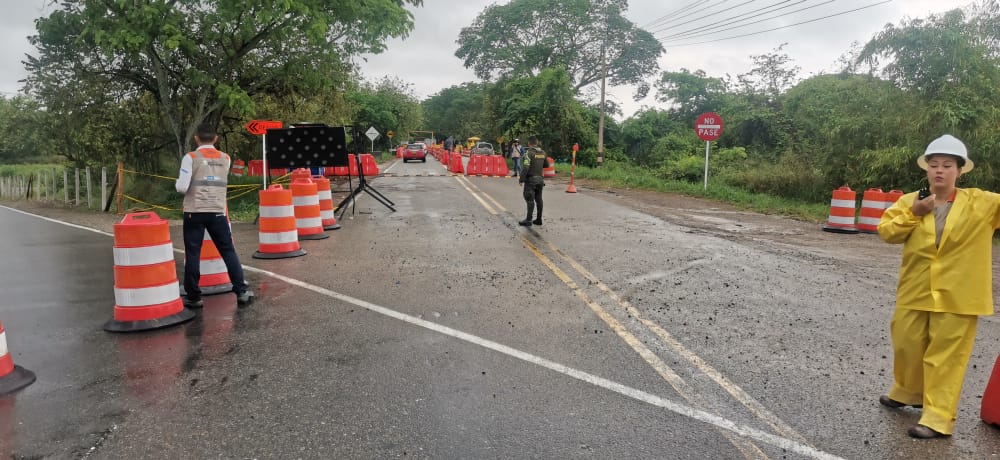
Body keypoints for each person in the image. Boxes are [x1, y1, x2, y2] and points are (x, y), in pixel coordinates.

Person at [877, 134, 1000, 439]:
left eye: (947, 165)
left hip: (959, 296)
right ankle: (908, 391)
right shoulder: (910, 200)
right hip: (916, 289)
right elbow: (886, 232)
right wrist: (914, 214)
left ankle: (938, 419)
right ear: (927, 170)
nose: (940, 170)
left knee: (946, 359)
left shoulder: (982, 203)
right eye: (934, 165)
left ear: (960, 170)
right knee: (906, 344)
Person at [175, 123, 254, 308]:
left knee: (193, 253)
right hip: (218, 212)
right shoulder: (225, 158)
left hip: (194, 212)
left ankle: (194, 296)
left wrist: (178, 183)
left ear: (196, 138)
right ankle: (241, 291)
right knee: (228, 251)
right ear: (216, 138)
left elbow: (182, 187)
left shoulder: (190, 157)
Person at [518, 136, 549, 227]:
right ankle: (539, 219)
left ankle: (528, 220)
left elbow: (526, 167)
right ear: (537, 142)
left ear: (529, 143)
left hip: (531, 180)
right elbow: (546, 165)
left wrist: (521, 179)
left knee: (529, 199)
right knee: (539, 199)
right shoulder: (543, 152)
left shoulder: (529, 153)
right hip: (540, 180)